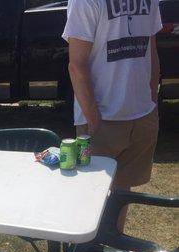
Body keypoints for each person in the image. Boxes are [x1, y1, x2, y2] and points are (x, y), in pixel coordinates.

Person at [63, 0, 162, 230]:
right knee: (90, 200)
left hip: (141, 116)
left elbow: (152, 50)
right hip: (101, 121)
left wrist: (152, 102)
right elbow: (76, 65)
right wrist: (94, 120)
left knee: (122, 195)